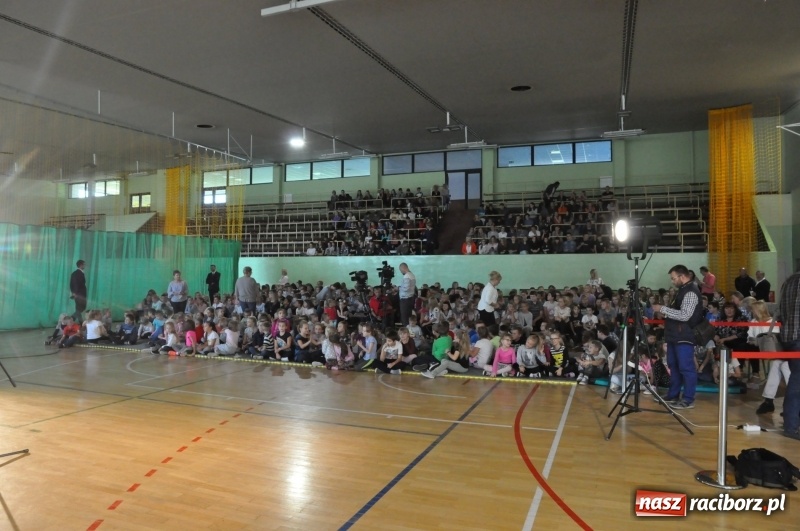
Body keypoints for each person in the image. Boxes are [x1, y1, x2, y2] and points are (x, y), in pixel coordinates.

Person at [651, 264, 704, 409]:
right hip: (675, 335)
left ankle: (688, 398)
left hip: (684, 335)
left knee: (686, 368)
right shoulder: (682, 290)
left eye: (674, 278)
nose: (672, 281)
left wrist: (663, 308)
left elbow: (685, 315)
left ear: (682, 276)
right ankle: (673, 394)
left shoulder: (690, 292)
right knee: (673, 366)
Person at [778, 269, 800, 440]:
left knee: (795, 379)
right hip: (798, 337)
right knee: (797, 382)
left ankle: (791, 422)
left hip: (789, 338)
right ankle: (791, 426)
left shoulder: (788, 281)